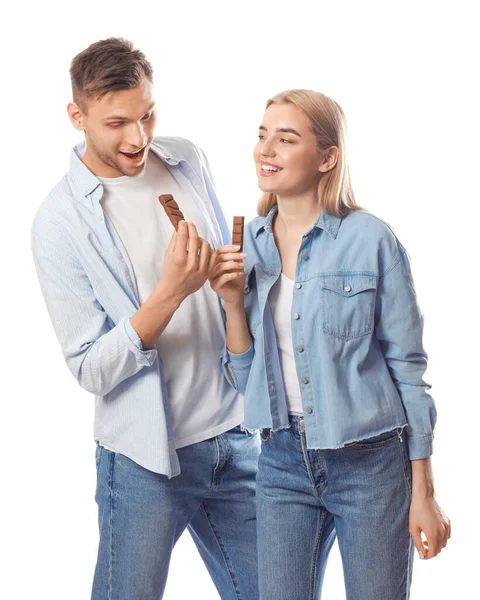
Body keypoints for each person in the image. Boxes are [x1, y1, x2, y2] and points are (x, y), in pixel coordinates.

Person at [31, 37, 259, 600]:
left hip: (234, 437)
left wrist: (232, 284)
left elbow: (226, 290)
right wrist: (169, 294)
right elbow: (90, 369)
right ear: (76, 116)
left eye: (147, 114)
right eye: (117, 123)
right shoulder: (58, 222)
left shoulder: (187, 158)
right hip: (145, 462)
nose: (139, 138)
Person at [210, 89, 450, 599]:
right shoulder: (246, 244)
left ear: (327, 158)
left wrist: (424, 492)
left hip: (371, 463)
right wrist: (232, 302)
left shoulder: (371, 239)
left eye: (286, 138)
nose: (266, 149)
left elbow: (408, 369)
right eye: (261, 135)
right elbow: (243, 378)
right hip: (279, 461)